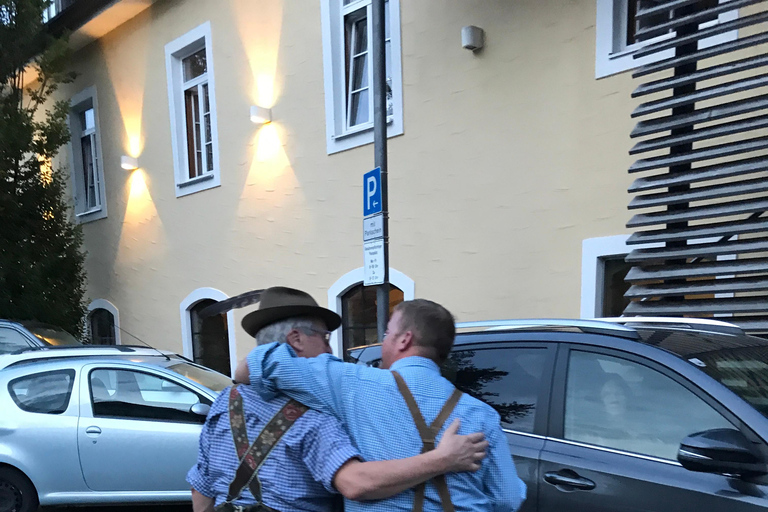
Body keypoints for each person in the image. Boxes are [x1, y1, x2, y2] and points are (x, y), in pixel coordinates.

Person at [189, 288, 488, 512]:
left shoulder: (227, 400)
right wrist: (442, 459)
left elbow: (202, 483)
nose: (331, 349)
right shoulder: (317, 411)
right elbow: (356, 484)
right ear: (296, 340)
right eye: (325, 337)